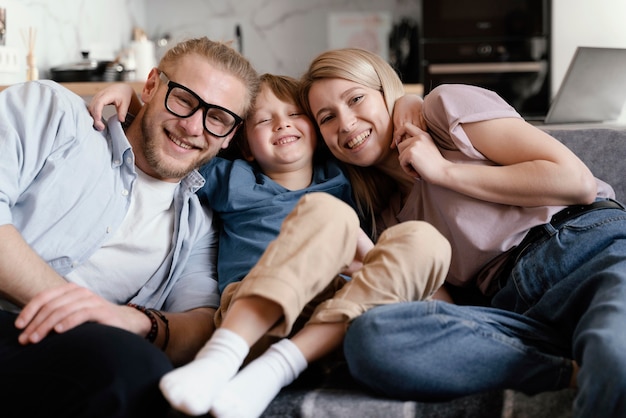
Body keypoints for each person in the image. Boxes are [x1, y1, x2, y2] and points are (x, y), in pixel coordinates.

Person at [88, 73, 451, 418]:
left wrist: (407, 99)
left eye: (295, 114)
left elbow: (387, 145)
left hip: (338, 318)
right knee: (328, 213)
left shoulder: (344, 176)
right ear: (244, 145)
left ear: (316, 131)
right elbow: (180, 142)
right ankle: (222, 357)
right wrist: (134, 99)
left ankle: (277, 370)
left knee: (428, 241)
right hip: (254, 314)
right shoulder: (232, 177)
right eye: (264, 121)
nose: (283, 124)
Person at [293, 47, 626, 418]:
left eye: (356, 99)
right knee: (371, 339)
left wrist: (443, 171)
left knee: (616, 358)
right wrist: (373, 274)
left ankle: (598, 362)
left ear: (386, 92)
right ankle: (573, 368)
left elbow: (576, 183)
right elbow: (447, 314)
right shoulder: (387, 220)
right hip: (516, 314)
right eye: (327, 118)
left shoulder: (441, 110)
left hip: (587, 252)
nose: (346, 122)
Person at [0, 37, 259, 418]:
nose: (192, 127)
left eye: (217, 118)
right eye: (185, 100)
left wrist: (136, 322)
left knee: (167, 385)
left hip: (72, 357)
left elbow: (202, 323)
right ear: (151, 85)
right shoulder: (51, 111)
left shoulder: (197, 226)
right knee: (137, 369)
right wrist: (81, 312)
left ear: (230, 136)